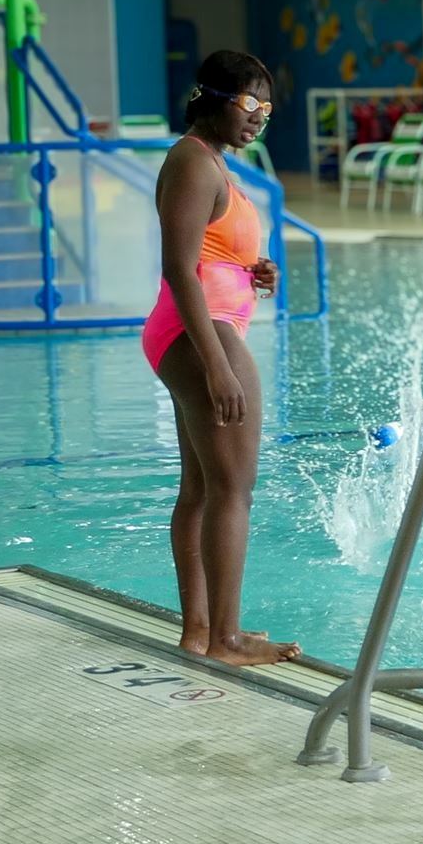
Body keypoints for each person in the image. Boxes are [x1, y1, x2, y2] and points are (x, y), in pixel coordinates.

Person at [143, 51, 297, 667]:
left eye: (267, 107)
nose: (259, 117)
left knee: (203, 490)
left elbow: (207, 254)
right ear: (211, 98)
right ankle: (226, 640)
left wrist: (253, 270)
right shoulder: (191, 162)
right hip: (198, 333)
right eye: (249, 104)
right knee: (234, 489)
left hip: (199, 329)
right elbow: (178, 270)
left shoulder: (210, 163)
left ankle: (200, 632)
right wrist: (216, 364)